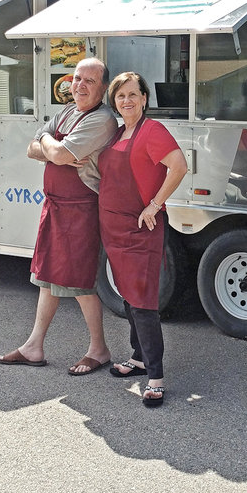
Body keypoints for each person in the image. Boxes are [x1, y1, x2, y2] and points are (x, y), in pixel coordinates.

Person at [0, 57, 116, 376]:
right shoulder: (68, 110)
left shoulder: (102, 120)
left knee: (79, 283)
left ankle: (99, 349)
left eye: (89, 81)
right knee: (47, 278)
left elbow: (58, 154)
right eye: (77, 78)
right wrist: (53, 147)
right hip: (55, 206)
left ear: (103, 89)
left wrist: (53, 147)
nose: (79, 85)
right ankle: (34, 347)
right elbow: (32, 148)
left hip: (81, 209)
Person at [98, 72, 188, 407]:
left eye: (133, 95)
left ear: (145, 98)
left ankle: (156, 376)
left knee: (144, 302)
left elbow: (178, 166)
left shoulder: (153, 131)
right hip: (115, 229)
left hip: (141, 230)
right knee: (128, 296)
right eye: (120, 97)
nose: (127, 101)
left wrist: (154, 204)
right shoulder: (119, 133)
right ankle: (138, 358)